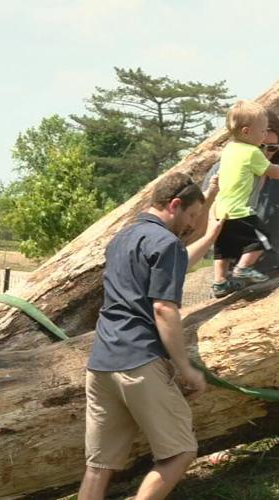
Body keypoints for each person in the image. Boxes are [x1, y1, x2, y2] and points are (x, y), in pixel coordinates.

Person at [79, 173, 224, 500]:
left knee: (99, 465)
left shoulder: (122, 238)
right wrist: (185, 368)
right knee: (180, 452)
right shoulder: (167, 243)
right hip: (140, 361)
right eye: (189, 216)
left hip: (101, 362)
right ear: (174, 205)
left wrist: (210, 202)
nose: (190, 226)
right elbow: (163, 309)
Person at [201, 109, 279, 284]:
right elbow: (203, 212)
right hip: (233, 272)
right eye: (261, 146)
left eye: (272, 148)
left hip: (278, 270)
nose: (266, 153)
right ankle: (224, 279)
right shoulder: (224, 167)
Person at [211, 100, 279, 297]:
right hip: (240, 210)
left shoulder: (229, 150)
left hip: (222, 210)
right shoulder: (252, 152)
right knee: (263, 238)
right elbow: (272, 170)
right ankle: (243, 269)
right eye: (262, 132)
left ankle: (219, 282)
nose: (263, 137)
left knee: (223, 248)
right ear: (246, 132)